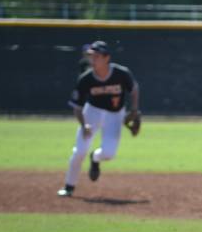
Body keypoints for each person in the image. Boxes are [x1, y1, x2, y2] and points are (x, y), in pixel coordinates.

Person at [57, 40, 141, 197]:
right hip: (92, 113)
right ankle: (69, 186)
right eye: (91, 56)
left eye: (97, 56)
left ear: (106, 58)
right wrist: (84, 125)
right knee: (79, 151)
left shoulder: (121, 73)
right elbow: (77, 107)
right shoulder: (86, 79)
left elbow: (134, 88)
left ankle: (95, 158)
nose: (92, 60)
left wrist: (134, 109)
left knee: (109, 154)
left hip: (115, 115)